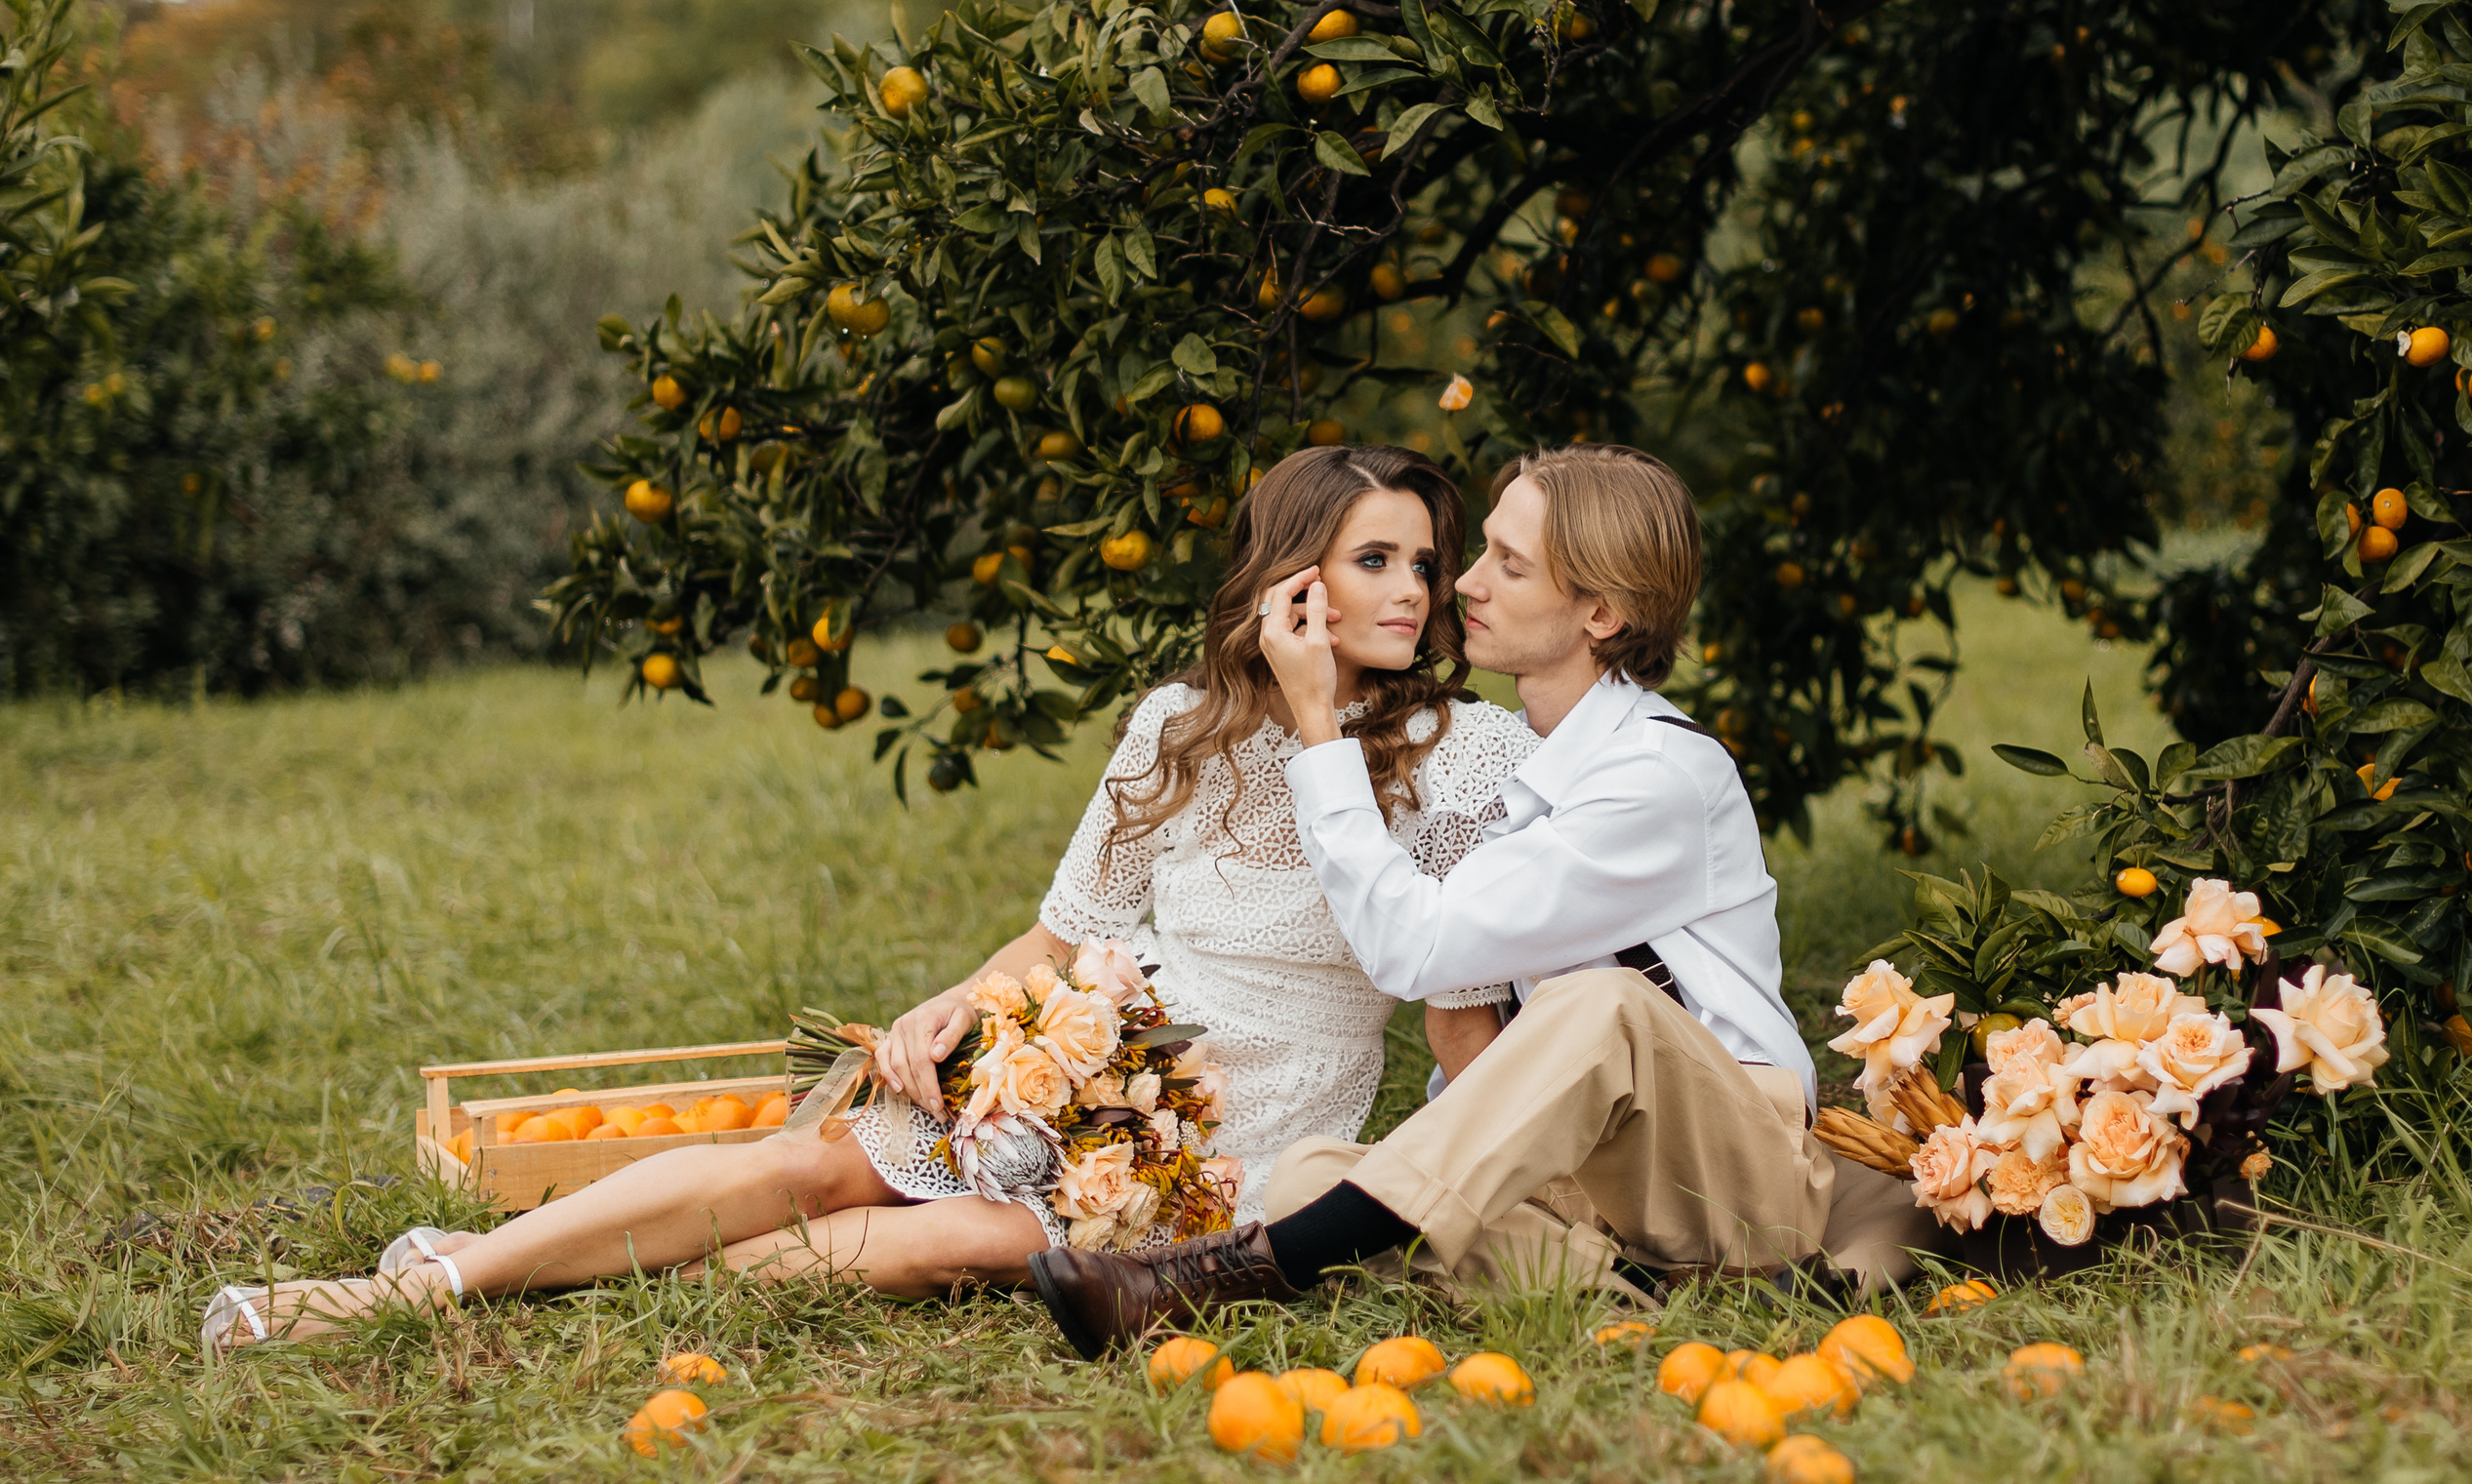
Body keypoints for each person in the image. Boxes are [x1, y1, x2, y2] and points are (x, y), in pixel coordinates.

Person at [200, 444, 1539, 1353]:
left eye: (1424, 564)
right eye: (1378, 560)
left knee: (926, 1242)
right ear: (1288, 575)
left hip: (1231, 1140)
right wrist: (953, 1006)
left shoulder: (1467, 758)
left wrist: (1427, 1212)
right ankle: (409, 1287)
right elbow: (1062, 939)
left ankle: (548, 1272)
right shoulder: (1175, 725)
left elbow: (1460, 1030)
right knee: (802, 1164)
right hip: (1082, 1059)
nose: (1415, 592)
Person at [1026, 443, 1941, 1359]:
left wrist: (1318, 730)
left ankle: (1229, 1274)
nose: (1458, 583)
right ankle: (1643, 1295)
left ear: (1602, 612)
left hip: (1728, 1165)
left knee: (1605, 1005)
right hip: (1583, 1182)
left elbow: (1415, 950)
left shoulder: (1656, 777)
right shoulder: (1518, 767)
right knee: (1308, 1178)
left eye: (1507, 563)